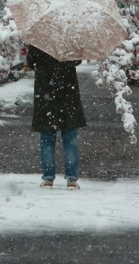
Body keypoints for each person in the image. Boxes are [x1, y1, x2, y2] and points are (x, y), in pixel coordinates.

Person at [25, 45, 86, 190]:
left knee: (47, 139)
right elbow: (77, 61)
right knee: (70, 139)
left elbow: (30, 61)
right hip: (68, 95)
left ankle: (48, 179)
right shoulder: (69, 40)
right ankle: (71, 180)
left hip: (46, 95)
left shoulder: (39, 40)